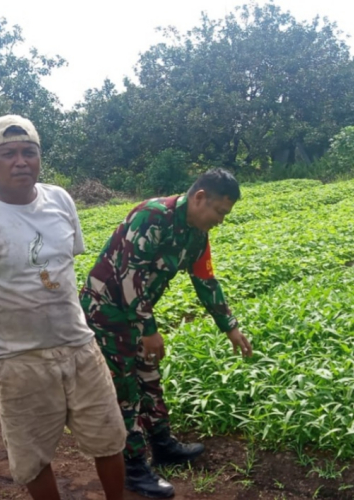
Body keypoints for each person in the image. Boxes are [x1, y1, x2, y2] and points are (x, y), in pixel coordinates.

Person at [0, 115, 126, 500]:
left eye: (29, 152)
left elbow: (62, 272)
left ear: (40, 158)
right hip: (18, 357)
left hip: (79, 347)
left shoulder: (60, 199)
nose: (20, 161)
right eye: (8, 154)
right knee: (32, 456)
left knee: (109, 439)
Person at [80, 168, 253, 498]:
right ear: (199, 197)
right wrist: (148, 329)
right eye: (219, 211)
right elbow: (129, 274)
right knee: (126, 390)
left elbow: (205, 280)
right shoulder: (151, 216)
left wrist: (229, 326)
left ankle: (162, 445)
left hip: (138, 312)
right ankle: (132, 468)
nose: (221, 220)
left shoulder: (197, 234)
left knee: (150, 377)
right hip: (107, 312)